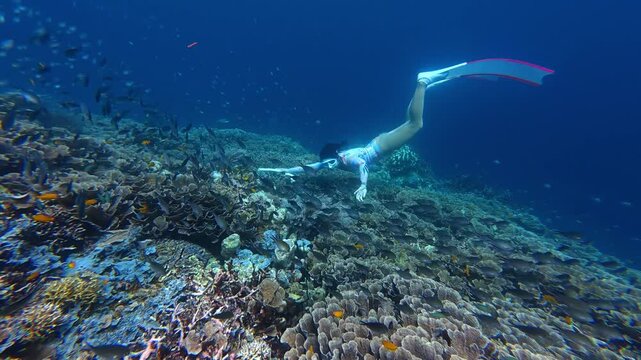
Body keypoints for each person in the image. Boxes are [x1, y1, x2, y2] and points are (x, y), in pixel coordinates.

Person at [258, 59, 554, 201]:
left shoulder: (345, 160)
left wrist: (363, 185)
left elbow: (360, 166)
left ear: (335, 156)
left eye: (331, 161)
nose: (330, 164)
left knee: (416, 124)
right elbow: (309, 168)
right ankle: (424, 84)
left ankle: (423, 82)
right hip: (380, 142)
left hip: (380, 148)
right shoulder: (334, 160)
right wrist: (278, 171)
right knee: (410, 121)